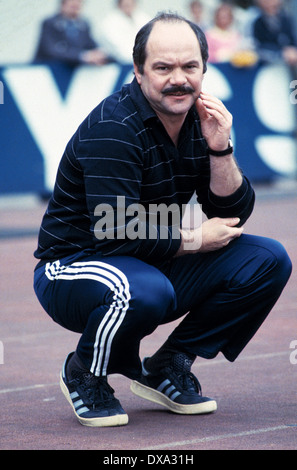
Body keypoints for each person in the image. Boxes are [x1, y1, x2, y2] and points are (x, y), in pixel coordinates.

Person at [33, 12, 292, 427]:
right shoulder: (114, 126)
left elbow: (233, 214)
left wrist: (220, 148)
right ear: (138, 71)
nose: (179, 79)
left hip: (145, 257)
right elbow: (115, 231)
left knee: (266, 259)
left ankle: (168, 365)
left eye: (190, 67)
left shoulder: (200, 118)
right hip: (72, 265)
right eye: (163, 67)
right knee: (145, 290)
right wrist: (193, 238)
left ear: (204, 69)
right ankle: (84, 371)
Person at [34, 0, 108, 66]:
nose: (76, 4)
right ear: (63, 4)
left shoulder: (83, 25)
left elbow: (90, 44)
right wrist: (82, 56)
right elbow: (52, 50)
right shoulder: (50, 23)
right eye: (72, 5)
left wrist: (98, 55)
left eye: (78, 4)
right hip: (47, 72)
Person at [98, 0, 150, 64]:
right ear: (119, 4)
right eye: (126, 4)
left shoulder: (143, 18)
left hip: (142, 60)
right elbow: (120, 51)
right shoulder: (109, 22)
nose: (129, 4)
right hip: (121, 63)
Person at [252, 0, 297, 66]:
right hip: (270, 66)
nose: (271, 3)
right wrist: (281, 53)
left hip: (289, 65)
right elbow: (259, 48)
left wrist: (292, 50)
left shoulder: (286, 19)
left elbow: (292, 39)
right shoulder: (258, 23)